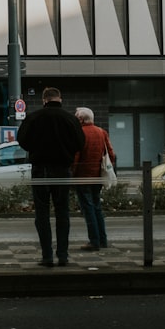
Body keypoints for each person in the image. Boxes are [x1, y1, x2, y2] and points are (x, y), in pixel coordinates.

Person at [16, 87, 86, 267]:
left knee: (42, 213)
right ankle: (63, 255)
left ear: (43, 100)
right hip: (62, 169)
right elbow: (80, 143)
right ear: (60, 99)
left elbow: (22, 140)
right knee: (62, 212)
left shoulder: (33, 117)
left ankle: (47, 256)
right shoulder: (70, 119)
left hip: (40, 169)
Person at [72, 107, 114, 251]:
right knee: (97, 207)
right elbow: (111, 155)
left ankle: (94, 241)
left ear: (81, 119)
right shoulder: (101, 132)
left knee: (88, 209)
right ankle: (103, 239)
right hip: (97, 177)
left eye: (77, 117)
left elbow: (75, 157)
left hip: (82, 178)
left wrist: (72, 173)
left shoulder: (79, 133)